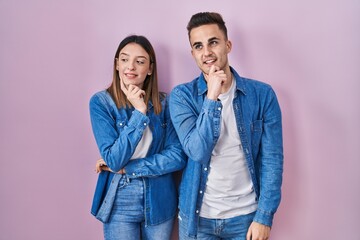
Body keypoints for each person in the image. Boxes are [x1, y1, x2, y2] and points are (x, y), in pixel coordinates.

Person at [169, 12, 283, 240]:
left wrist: (264, 216)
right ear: (193, 54)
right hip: (198, 219)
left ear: (228, 45)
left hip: (246, 218)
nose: (207, 52)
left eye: (213, 42)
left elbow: (272, 160)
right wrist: (211, 97)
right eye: (198, 46)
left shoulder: (262, 95)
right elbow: (197, 151)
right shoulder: (182, 97)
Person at [89, 35, 186, 240]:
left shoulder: (165, 104)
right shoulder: (101, 103)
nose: (130, 66)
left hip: (160, 198)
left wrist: (130, 168)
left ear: (150, 68)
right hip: (120, 200)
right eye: (124, 59)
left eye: (140, 61)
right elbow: (114, 159)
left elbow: (177, 156)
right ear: (116, 64)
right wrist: (140, 113)